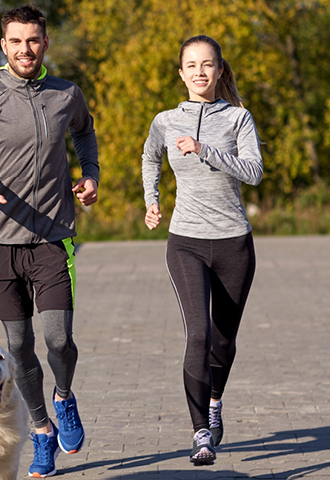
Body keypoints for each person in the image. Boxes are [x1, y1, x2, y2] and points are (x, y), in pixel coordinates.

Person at [0, 4, 99, 477]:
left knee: (59, 340)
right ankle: (41, 433)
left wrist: (89, 174)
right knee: (17, 348)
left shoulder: (65, 94)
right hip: (0, 242)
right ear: (4, 46)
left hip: (54, 238)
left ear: (45, 43)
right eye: (16, 41)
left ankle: (64, 397)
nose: (25, 49)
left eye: (33, 40)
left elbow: (85, 133)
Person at [141, 35, 263, 465]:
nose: (199, 72)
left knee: (224, 341)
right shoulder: (165, 120)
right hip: (186, 240)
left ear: (220, 70)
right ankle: (200, 433)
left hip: (234, 243)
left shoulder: (238, 120)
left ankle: (214, 402)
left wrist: (205, 149)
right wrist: (151, 199)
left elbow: (253, 172)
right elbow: (149, 156)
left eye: (207, 65)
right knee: (199, 335)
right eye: (191, 65)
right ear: (181, 73)